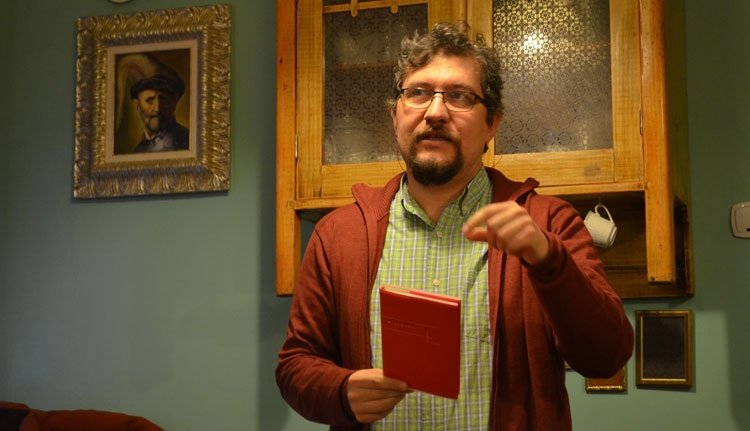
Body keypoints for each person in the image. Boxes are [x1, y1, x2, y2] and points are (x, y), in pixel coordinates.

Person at [276, 22, 633, 431]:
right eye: (418, 93)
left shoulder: (549, 224)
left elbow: (606, 356)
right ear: (395, 116)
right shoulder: (339, 235)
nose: (435, 112)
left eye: (459, 96)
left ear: (492, 124)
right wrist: (339, 391)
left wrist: (548, 260)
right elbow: (294, 366)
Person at [128, 55, 189, 153]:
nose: (157, 108)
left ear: (174, 103)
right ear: (137, 105)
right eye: (149, 101)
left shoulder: (187, 142)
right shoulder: (137, 150)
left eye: (163, 100)